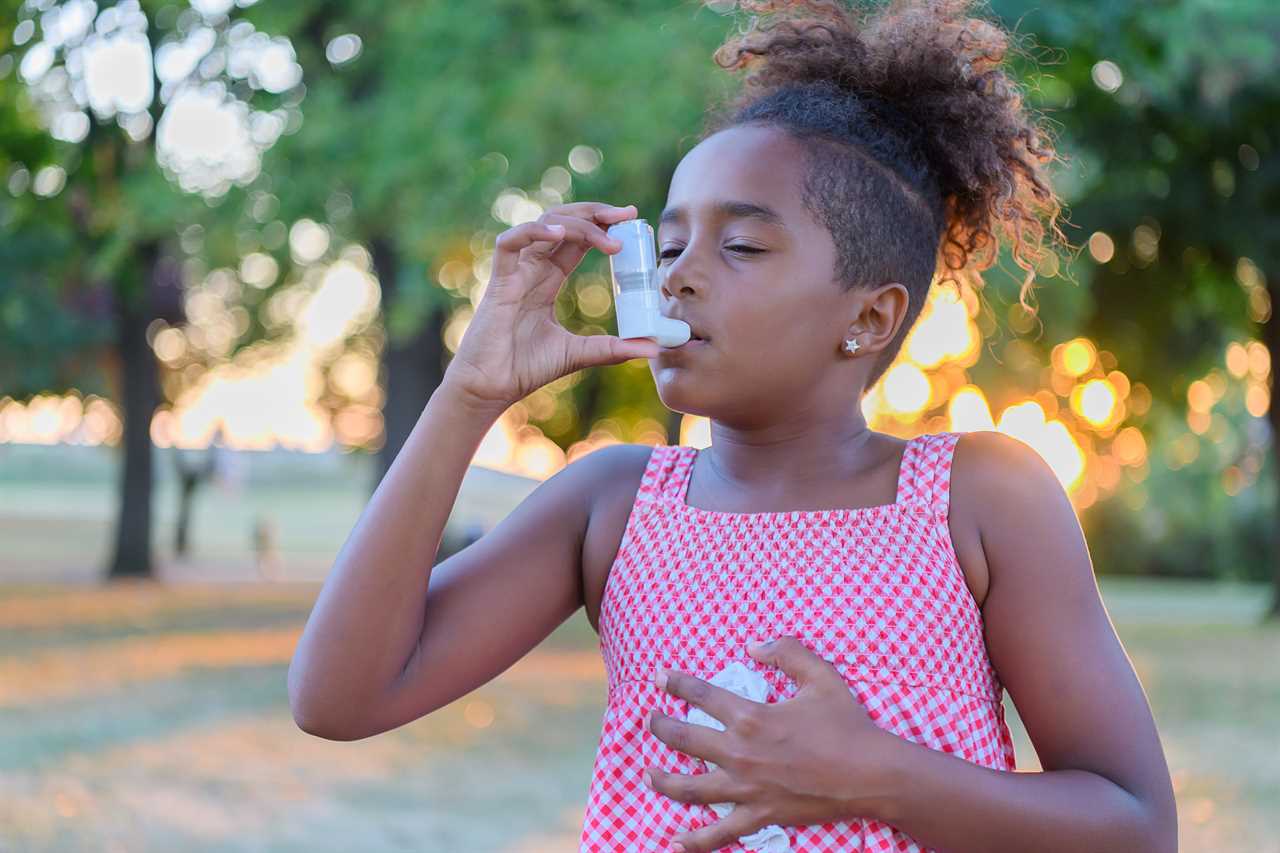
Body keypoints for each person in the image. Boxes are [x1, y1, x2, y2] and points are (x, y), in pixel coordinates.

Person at [287, 0, 1177, 850]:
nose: (677, 276)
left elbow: (1135, 825)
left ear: (868, 317)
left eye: (740, 246)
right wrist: (470, 395)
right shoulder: (613, 504)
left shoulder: (978, 497)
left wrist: (875, 773)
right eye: (669, 245)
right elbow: (340, 696)